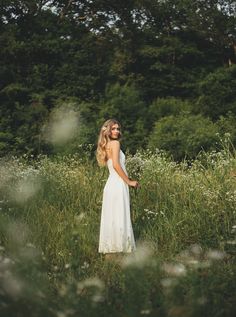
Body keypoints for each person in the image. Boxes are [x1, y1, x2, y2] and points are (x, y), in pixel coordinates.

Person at [96, 119, 139, 260]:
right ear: (107, 131)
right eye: (113, 128)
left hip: (110, 184)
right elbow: (115, 164)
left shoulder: (106, 145)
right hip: (118, 183)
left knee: (113, 217)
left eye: (118, 129)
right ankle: (121, 251)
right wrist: (129, 181)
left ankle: (111, 253)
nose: (117, 131)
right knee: (120, 215)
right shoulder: (115, 143)